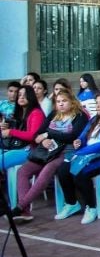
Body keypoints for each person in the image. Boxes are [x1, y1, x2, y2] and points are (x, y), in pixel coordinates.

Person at [11, 88, 88, 222]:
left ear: (72, 102)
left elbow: (71, 136)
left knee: (45, 173)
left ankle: (20, 207)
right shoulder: (53, 114)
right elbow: (37, 134)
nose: (61, 104)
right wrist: (45, 139)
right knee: (22, 171)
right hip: (46, 152)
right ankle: (25, 211)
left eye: (64, 101)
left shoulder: (80, 116)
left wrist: (49, 134)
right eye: (58, 101)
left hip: (65, 153)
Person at [55, 92, 100, 223]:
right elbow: (83, 135)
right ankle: (71, 204)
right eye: (96, 103)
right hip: (85, 153)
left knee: (80, 173)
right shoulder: (94, 119)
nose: (98, 106)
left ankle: (91, 207)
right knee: (63, 170)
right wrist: (79, 141)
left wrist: (82, 152)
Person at [1, 85, 45, 170]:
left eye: (25, 95)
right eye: (20, 95)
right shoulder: (19, 113)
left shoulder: (36, 113)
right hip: (14, 146)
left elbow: (33, 135)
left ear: (31, 96)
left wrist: (11, 131)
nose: (21, 97)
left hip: (31, 150)